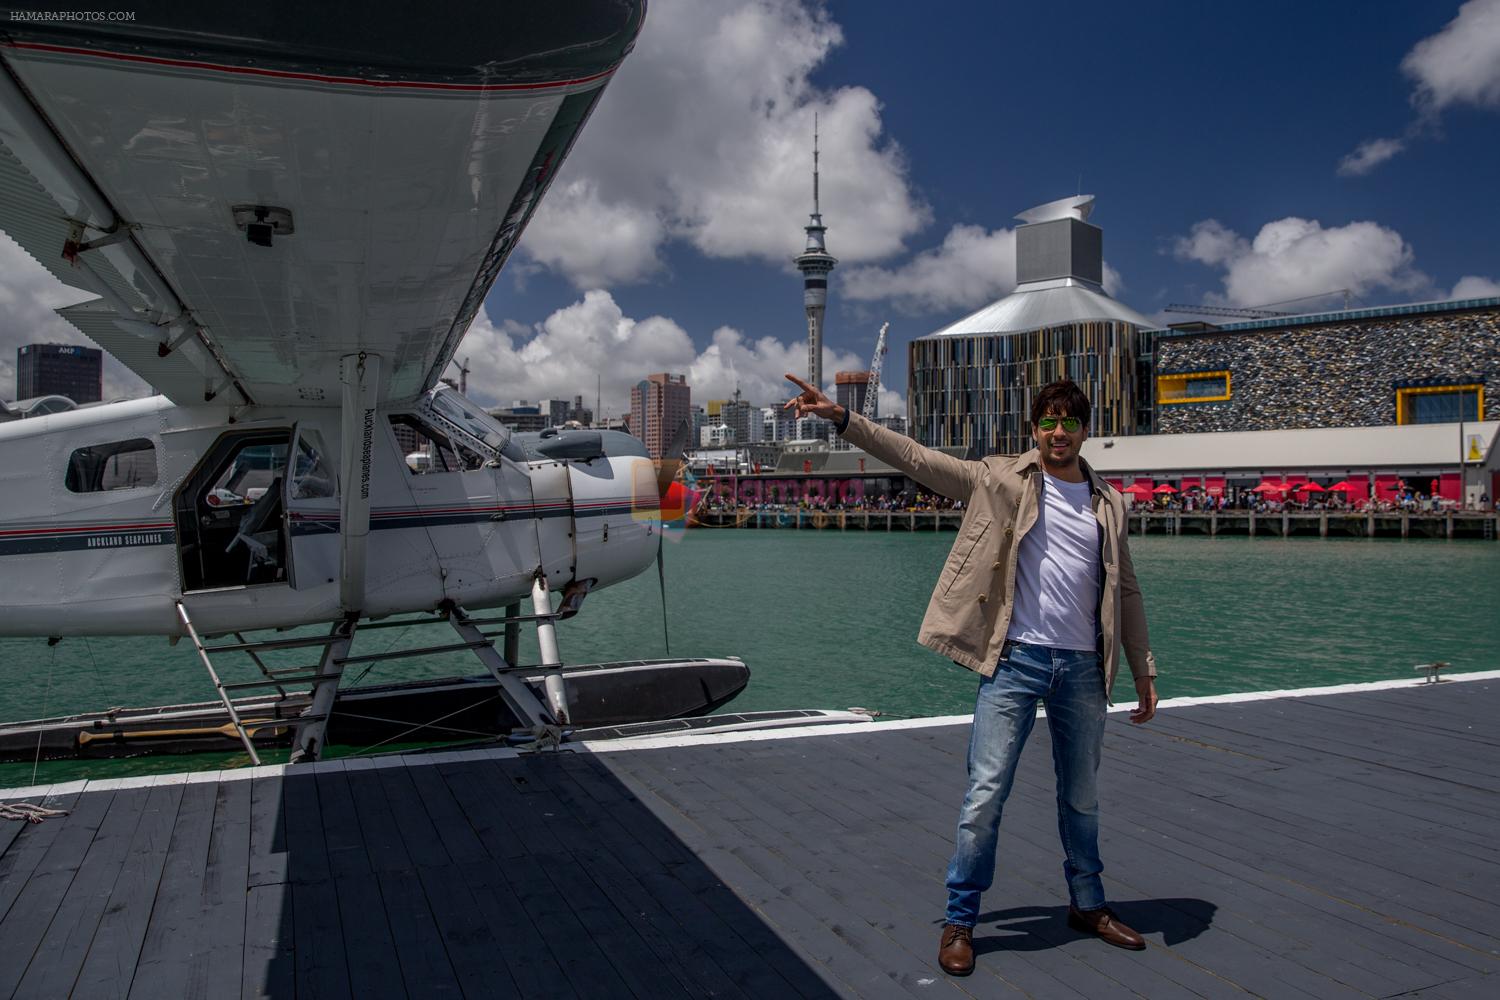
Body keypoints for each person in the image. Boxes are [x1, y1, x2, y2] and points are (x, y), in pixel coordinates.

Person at [784, 373, 1159, 977]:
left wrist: (1143, 669)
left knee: (1082, 798)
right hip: (1014, 661)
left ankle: (1088, 905)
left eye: (1069, 421)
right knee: (984, 796)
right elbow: (916, 457)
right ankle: (961, 919)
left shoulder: (1107, 502)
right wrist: (841, 419)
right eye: (1047, 420)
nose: (1057, 431)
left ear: (1086, 431)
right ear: (1033, 429)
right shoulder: (999, 477)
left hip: (1085, 667)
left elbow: (1128, 590)